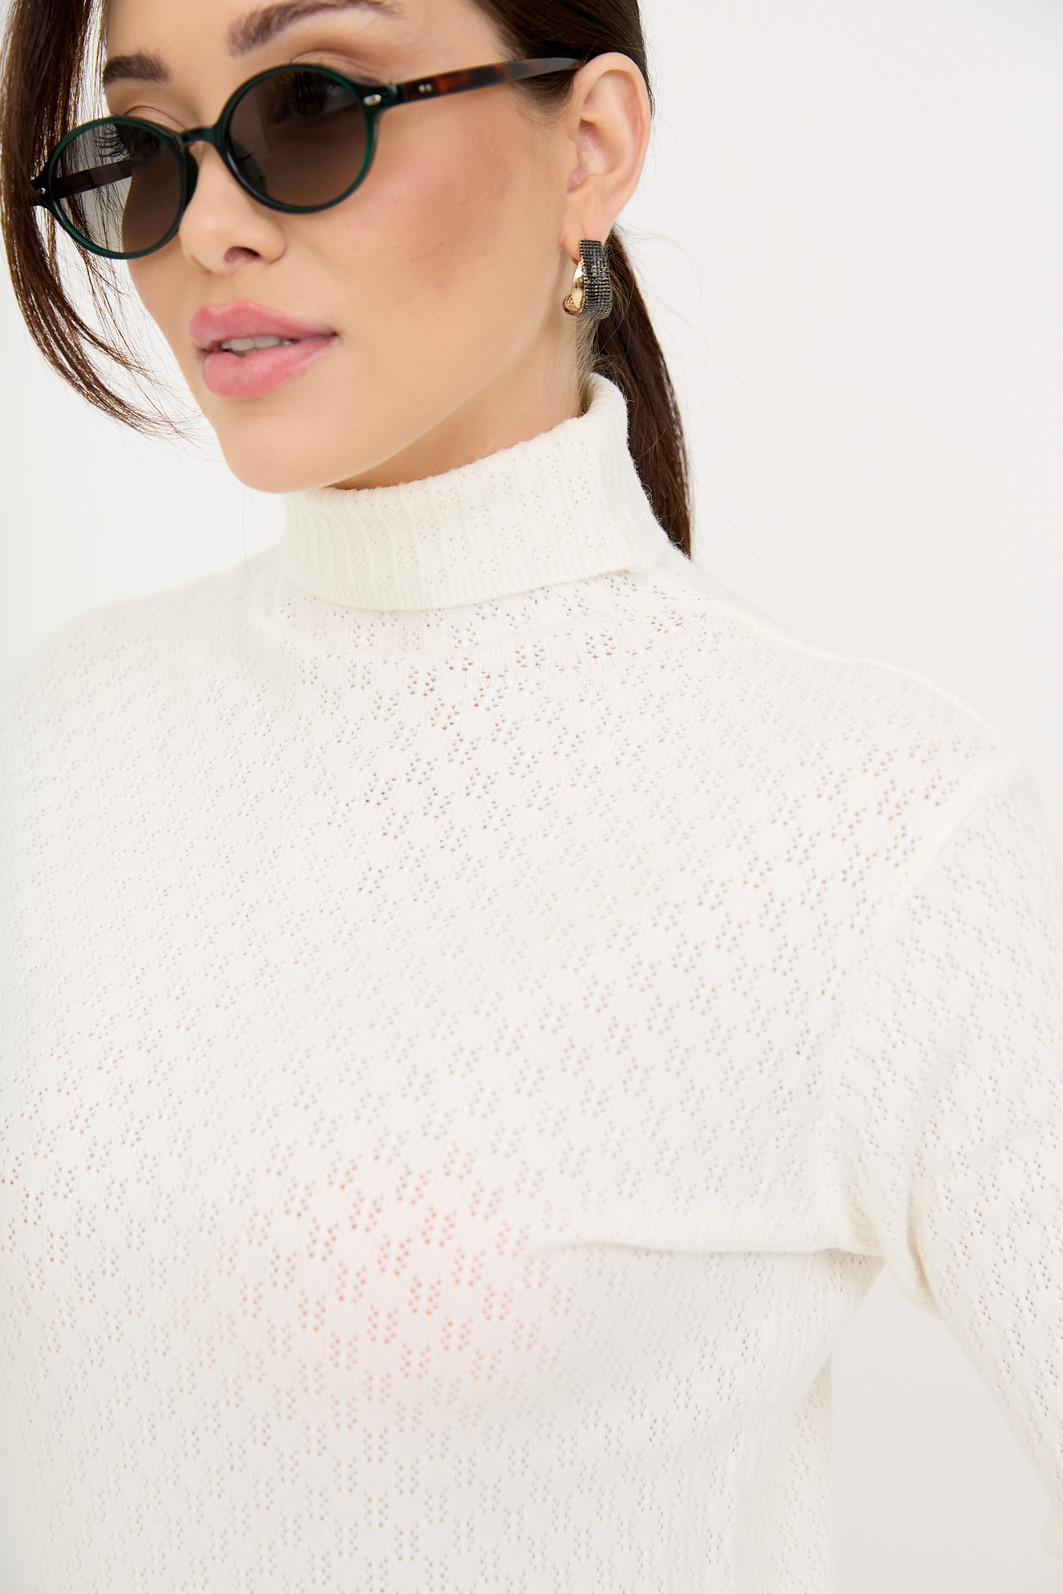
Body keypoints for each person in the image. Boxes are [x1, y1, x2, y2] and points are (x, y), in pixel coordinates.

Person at [1, 0, 1061, 1588]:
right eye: (143, 150)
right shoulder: (58, 736)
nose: (207, 224)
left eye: (308, 110)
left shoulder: (871, 828)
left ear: (591, 147)